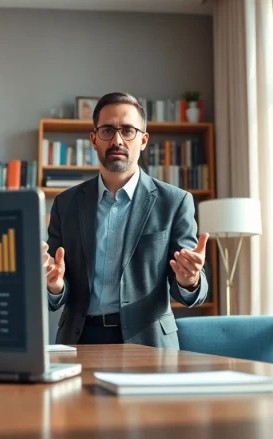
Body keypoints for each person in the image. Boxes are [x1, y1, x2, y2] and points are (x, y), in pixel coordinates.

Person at [41, 92, 210, 348]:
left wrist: (190, 280)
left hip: (149, 342)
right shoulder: (65, 203)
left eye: (128, 130)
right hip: (80, 340)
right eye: (107, 130)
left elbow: (190, 292)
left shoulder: (174, 202)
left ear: (143, 140)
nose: (117, 140)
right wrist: (54, 285)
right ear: (94, 139)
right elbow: (55, 282)